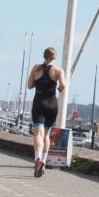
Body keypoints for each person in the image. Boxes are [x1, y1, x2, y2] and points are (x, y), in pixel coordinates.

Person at [27, 47, 66, 177]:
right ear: (54, 57)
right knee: (46, 135)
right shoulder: (58, 70)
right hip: (52, 104)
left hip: (39, 102)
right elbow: (63, 85)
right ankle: (43, 162)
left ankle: (37, 159)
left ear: (44, 56)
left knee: (38, 134)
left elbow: (30, 85)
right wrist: (59, 88)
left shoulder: (36, 68)